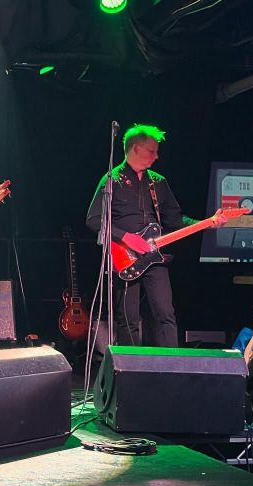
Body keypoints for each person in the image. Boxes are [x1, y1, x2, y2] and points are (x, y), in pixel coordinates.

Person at [86, 124, 225, 347]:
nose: (156, 156)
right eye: (152, 151)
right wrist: (126, 237)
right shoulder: (111, 180)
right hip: (124, 258)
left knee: (165, 314)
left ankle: (171, 362)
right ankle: (129, 365)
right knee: (128, 319)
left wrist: (208, 223)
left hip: (155, 255)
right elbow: (94, 220)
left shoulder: (158, 182)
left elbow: (175, 220)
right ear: (135, 148)